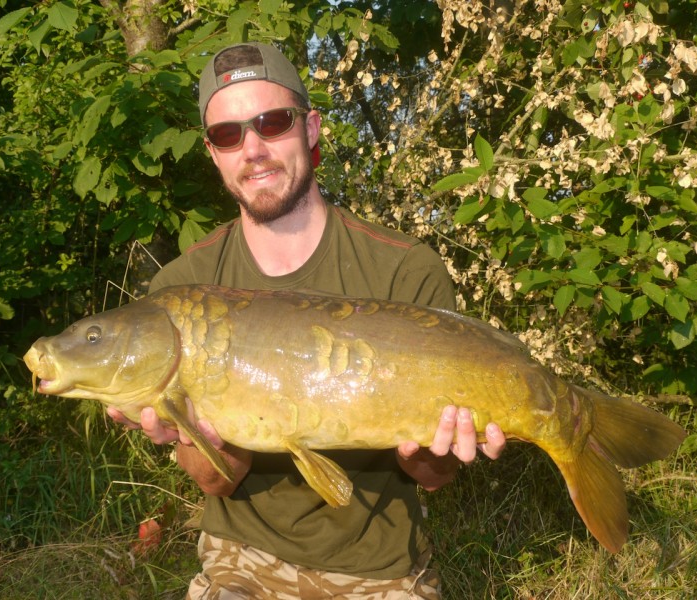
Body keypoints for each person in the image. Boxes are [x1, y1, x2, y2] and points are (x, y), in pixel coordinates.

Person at [109, 42, 506, 599]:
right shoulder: (180, 293)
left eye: (272, 123)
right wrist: (193, 430)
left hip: (381, 566)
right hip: (240, 560)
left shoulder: (404, 268)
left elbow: (439, 480)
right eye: (229, 135)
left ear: (311, 128)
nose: (253, 149)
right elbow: (214, 482)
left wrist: (432, 454)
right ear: (213, 153)